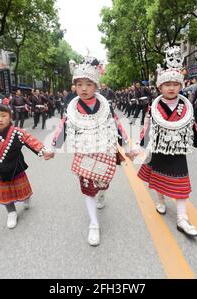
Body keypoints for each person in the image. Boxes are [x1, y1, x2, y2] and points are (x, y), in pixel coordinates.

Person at [129, 46, 197, 237]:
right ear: (160, 87)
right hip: (158, 149)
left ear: (181, 86)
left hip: (178, 150)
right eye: (167, 85)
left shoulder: (186, 106)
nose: (171, 87)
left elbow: (193, 128)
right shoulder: (154, 107)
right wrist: (139, 146)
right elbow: (147, 128)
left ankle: (182, 218)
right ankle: (160, 200)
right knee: (158, 178)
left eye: (175, 84)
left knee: (182, 185)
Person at [51, 57, 130, 246]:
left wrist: (127, 145)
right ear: (75, 87)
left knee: (102, 184)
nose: (83, 88)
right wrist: (52, 147)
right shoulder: (71, 108)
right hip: (84, 152)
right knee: (88, 189)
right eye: (79, 84)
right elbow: (63, 126)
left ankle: (102, 193)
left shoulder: (106, 106)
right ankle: (94, 224)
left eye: (88, 84)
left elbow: (117, 125)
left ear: (96, 86)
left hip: (104, 150)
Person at [0, 104, 54, 229]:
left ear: (10, 117)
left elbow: (32, 141)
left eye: (4, 116)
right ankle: (11, 212)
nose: (0, 119)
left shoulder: (18, 133)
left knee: (23, 189)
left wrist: (44, 151)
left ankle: (26, 198)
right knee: (5, 194)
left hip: (17, 167)